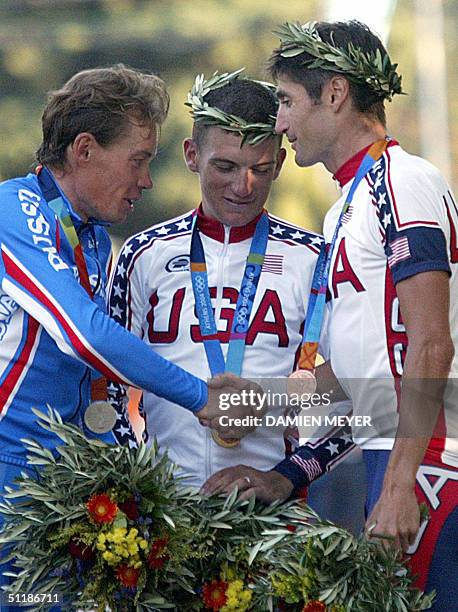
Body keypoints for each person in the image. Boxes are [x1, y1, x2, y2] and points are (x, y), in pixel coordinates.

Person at [202, 21, 458, 608]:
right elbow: (359, 390)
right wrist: (278, 457)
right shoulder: (346, 204)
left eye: (288, 101)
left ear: (336, 94)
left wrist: (398, 486)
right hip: (394, 462)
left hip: (430, 465)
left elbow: (431, 347)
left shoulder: (404, 180)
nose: (280, 121)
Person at [0, 64, 256, 605]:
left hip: (57, 493)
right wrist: (200, 397)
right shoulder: (14, 212)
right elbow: (86, 337)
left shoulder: (95, 241)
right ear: (84, 150)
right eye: (138, 161)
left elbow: (93, 383)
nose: (147, 181)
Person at [107, 70, 326, 487]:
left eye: (260, 169)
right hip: (164, 517)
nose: (243, 186)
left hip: (271, 517)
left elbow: (357, 395)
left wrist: (283, 476)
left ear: (280, 163)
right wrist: (136, 494)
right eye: (225, 166)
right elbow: (109, 386)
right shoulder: (143, 253)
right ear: (191, 155)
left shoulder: (314, 257)